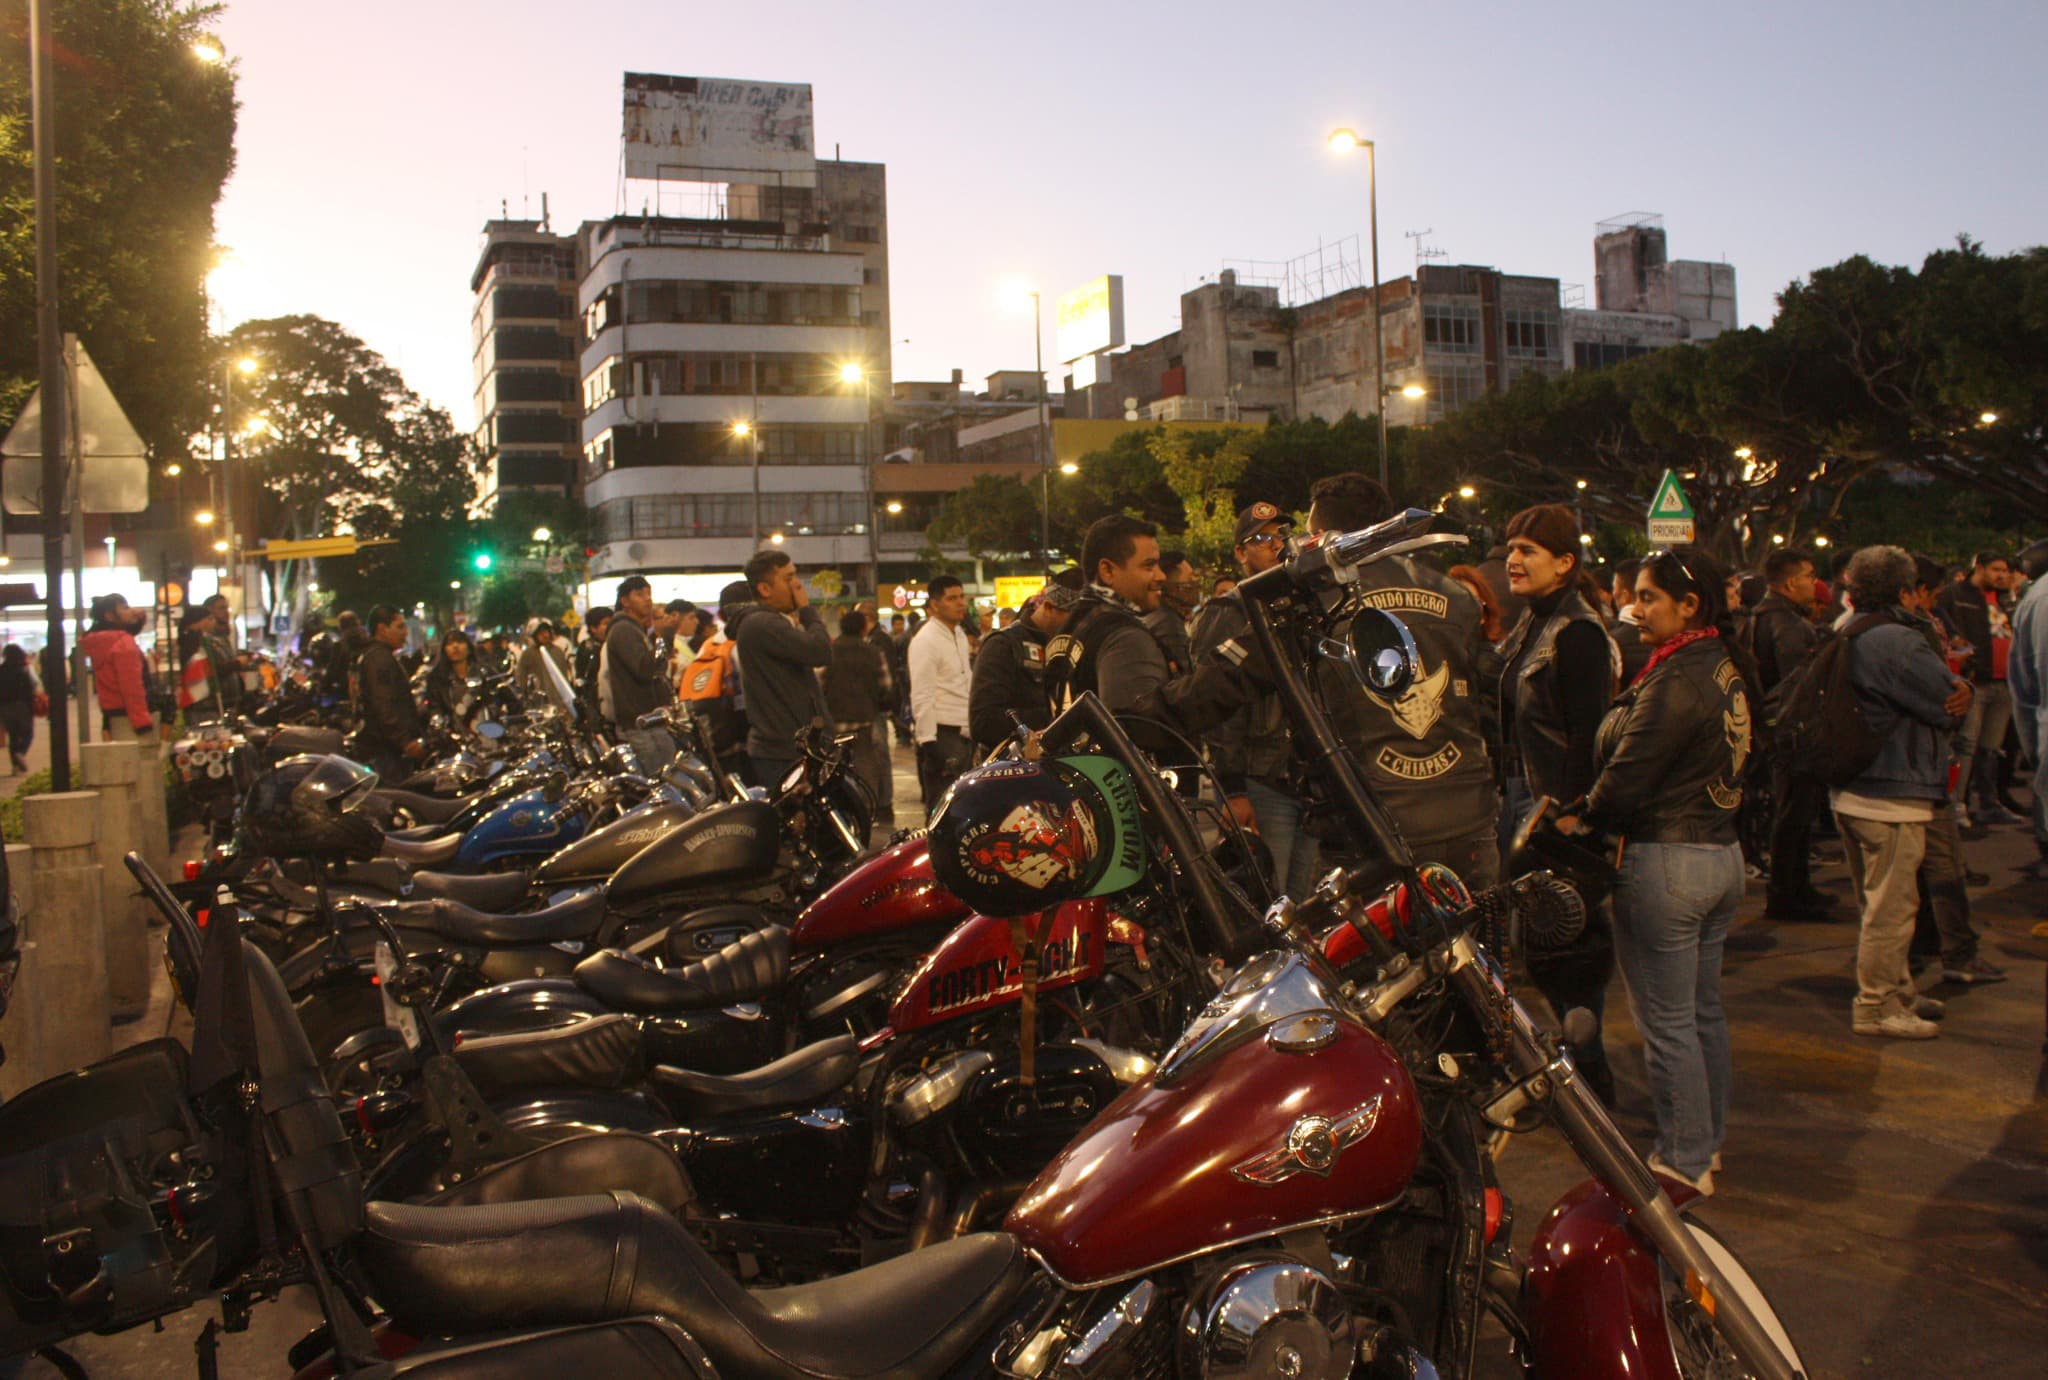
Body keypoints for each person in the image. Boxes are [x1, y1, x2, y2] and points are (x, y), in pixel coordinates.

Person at [1563, 547, 1751, 1195]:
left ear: (1689, 606)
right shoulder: (1721, 664)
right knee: (1701, 1015)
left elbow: (1623, 783)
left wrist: (1579, 815)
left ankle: (1685, 1160)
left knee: (1668, 1024)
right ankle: (1707, 1141)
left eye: (1648, 598)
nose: (1632, 609)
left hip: (1668, 863)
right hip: (1720, 857)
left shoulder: (1675, 680)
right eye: (1633, 596)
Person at [1308, 475, 1503, 889]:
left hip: (1372, 825)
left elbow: (1222, 690)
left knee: (1365, 952)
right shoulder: (1456, 595)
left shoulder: (1315, 606)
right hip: (1467, 813)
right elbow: (1490, 694)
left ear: (1324, 537)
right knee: (1479, 946)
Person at [1496, 503, 1619, 1103]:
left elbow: (1588, 732)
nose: (1514, 559)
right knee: (1537, 946)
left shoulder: (1578, 632)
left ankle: (1589, 1074)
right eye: (1511, 548)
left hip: (1552, 808)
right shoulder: (1532, 624)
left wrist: (1569, 815)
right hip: (1520, 799)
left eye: (1529, 550)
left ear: (1565, 563)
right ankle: (1569, 1067)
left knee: (1565, 943)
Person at [1830, 546, 1973, 1039]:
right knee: (1891, 910)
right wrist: (1964, 692)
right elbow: (1945, 701)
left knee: (1880, 905)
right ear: (1905, 590)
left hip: (1853, 788)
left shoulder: (1848, 627)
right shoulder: (1898, 640)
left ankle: (1897, 990)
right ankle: (1875, 1007)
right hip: (1891, 790)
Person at [1193, 501, 1318, 895]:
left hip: (1310, 780)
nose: (1275, 545)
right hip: (1260, 779)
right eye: (1262, 539)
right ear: (1240, 553)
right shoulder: (1227, 611)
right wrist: (1233, 789)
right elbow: (1213, 705)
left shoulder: (1300, 605)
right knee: (1270, 896)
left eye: (1281, 535)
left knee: (1306, 898)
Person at [1901, 556, 2005, 986]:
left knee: (1909, 874)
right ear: (1914, 591)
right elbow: (1940, 696)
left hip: (1896, 771)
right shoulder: (1914, 632)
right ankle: (1952, 955)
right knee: (1940, 864)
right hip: (1917, 766)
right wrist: (1958, 690)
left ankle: (1921, 952)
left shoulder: (1863, 631)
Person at [1738, 548, 1837, 922]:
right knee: (1793, 814)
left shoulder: (1760, 617)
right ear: (1791, 582)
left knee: (1792, 812)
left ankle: (1797, 888)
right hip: (1789, 737)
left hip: (1771, 732)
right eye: (1810, 576)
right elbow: (1798, 690)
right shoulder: (1787, 625)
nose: (1815, 584)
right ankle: (1787, 895)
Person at [726, 550, 830, 789]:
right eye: (788, 578)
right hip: (783, 750)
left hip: (791, 747)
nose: (796, 585)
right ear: (765, 589)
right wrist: (807, 611)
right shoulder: (763, 624)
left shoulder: (768, 622)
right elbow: (821, 651)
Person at [1935, 551, 2017, 825]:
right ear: (1978, 568)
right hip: (1975, 681)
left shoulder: (2004, 599)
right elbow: (1946, 632)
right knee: (1966, 744)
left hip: (2002, 682)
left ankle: (1990, 802)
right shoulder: (1957, 595)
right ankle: (1957, 803)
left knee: (1991, 747)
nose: (2002, 575)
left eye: (2005, 570)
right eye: (1996, 569)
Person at [969, 569, 1084, 753]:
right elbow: (983, 722)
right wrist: (1056, 718)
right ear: (1048, 607)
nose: (1078, 628)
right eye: (1074, 620)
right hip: (1014, 771)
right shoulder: (1003, 645)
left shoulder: (1073, 647)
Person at [909, 574, 975, 808]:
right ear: (935, 605)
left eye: (962, 596)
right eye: (952, 598)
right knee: (942, 810)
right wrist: (929, 743)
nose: (961, 603)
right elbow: (921, 694)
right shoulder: (925, 640)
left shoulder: (958, 634)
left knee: (963, 807)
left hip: (964, 733)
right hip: (942, 734)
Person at [605, 575, 680, 771]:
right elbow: (645, 670)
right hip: (640, 723)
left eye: (649, 593)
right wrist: (663, 637)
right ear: (625, 601)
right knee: (661, 778)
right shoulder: (623, 629)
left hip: (650, 719)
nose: (647, 599)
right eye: (639, 594)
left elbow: (657, 668)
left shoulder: (635, 630)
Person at [824, 608, 892, 822]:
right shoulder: (872, 652)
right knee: (868, 767)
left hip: (835, 721)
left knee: (835, 768)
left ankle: (842, 813)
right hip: (864, 720)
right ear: (864, 628)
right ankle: (868, 811)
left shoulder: (829, 651)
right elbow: (885, 686)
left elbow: (820, 684)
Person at [356, 605, 426, 782]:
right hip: (387, 753)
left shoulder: (376, 655)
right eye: (400, 627)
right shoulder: (379, 659)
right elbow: (383, 704)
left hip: (387, 750)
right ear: (382, 629)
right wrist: (405, 742)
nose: (405, 633)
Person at [79, 594, 157, 745]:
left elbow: (133, 627)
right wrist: (142, 722)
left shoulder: (101, 641)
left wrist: (138, 616)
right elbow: (131, 686)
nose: (131, 611)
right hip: (129, 715)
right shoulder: (123, 643)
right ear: (109, 616)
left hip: (111, 712)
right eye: (125, 608)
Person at [1145, 550, 1199, 676]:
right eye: (1190, 578)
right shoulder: (1169, 623)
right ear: (1172, 586)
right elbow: (1185, 680)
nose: (1195, 582)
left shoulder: (1157, 614)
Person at [422, 628, 480, 729]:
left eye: (460, 642)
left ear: (469, 648)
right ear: (444, 650)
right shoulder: (436, 678)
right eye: (449, 643)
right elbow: (433, 707)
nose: (455, 646)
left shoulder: (484, 674)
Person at [514, 619, 574, 715]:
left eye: (546, 631)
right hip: (540, 703)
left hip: (561, 702)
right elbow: (521, 677)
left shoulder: (557, 651)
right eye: (540, 633)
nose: (544, 635)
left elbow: (564, 677)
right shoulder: (528, 654)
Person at [0, 645, 38, 773]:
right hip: (22, 706)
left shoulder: (1, 670)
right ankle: (21, 753)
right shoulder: (24, 669)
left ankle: (15, 766)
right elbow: (33, 685)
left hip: (5, 707)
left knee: (13, 736)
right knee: (28, 734)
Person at [574, 605, 612, 726]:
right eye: (605, 624)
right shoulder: (588, 648)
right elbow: (584, 677)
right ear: (593, 628)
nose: (610, 627)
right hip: (597, 703)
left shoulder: (614, 644)